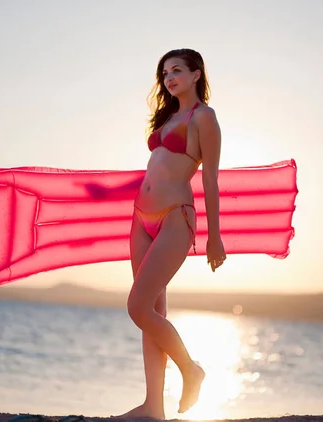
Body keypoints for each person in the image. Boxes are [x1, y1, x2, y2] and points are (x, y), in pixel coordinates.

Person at [117, 48, 226, 419]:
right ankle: (153, 407)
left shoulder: (204, 117)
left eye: (177, 70)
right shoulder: (166, 118)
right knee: (152, 311)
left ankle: (190, 369)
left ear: (197, 75)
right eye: (165, 73)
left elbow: (210, 179)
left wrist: (214, 235)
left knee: (137, 307)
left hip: (175, 218)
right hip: (140, 219)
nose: (170, 78)